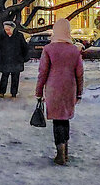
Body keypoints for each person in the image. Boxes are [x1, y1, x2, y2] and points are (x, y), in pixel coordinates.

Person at [36, 18, 84, 165]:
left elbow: (43, 72)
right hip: (69, 87)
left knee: (57, 120)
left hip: (53, 88)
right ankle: (66, 150)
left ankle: (59, 152)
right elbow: (80, 73)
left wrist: (39, 91)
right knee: (65, 119)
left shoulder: (49, 49)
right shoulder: (74, 50)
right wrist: (79, 92)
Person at [0, 21, 30, 98]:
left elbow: (25, 47)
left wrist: (25, 58)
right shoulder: (2, 36)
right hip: (5, 60)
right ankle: (1, 92)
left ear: (12, 28)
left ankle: (14, 93)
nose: (6, 31)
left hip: (16, 60)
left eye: (8, 29)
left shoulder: (19, 36)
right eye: (5, 29)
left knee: (15, 78)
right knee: (4, 76)